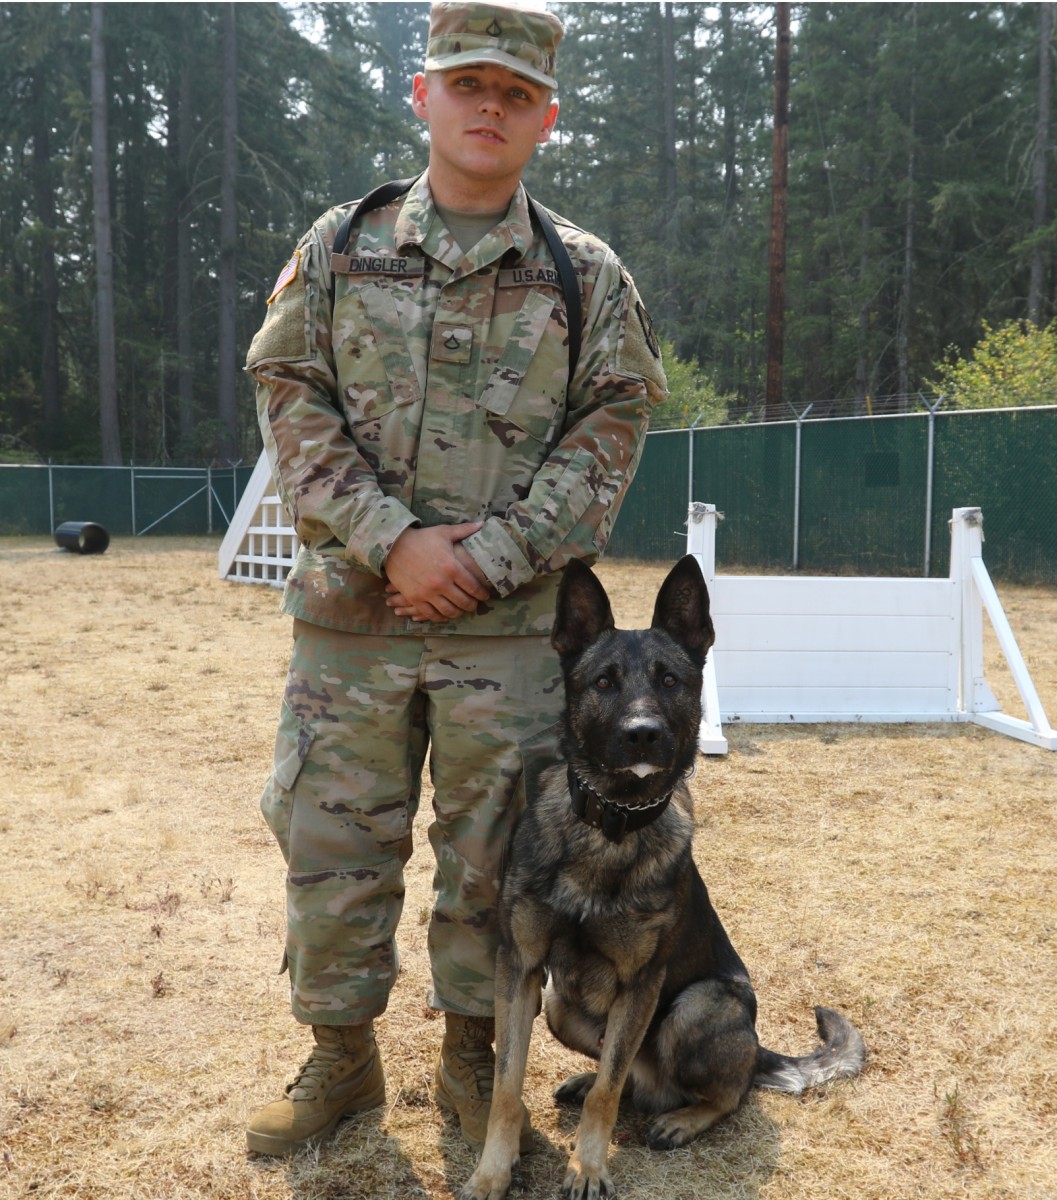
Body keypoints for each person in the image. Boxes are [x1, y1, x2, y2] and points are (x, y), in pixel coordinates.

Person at [242, 0, 667, 1159]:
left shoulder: (584, 276)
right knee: (334, 845)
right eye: (466, 84)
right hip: (351, 623)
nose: (489, 108)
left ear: (547, 118)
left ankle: (477, 1061)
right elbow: (290, 397)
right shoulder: (342, 244)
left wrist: (482, 558)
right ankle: (339, 1060)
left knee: (498, 862)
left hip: (513, 634)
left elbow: (610, 433)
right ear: (422, 95)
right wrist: (393, 542)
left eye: (514, 94)